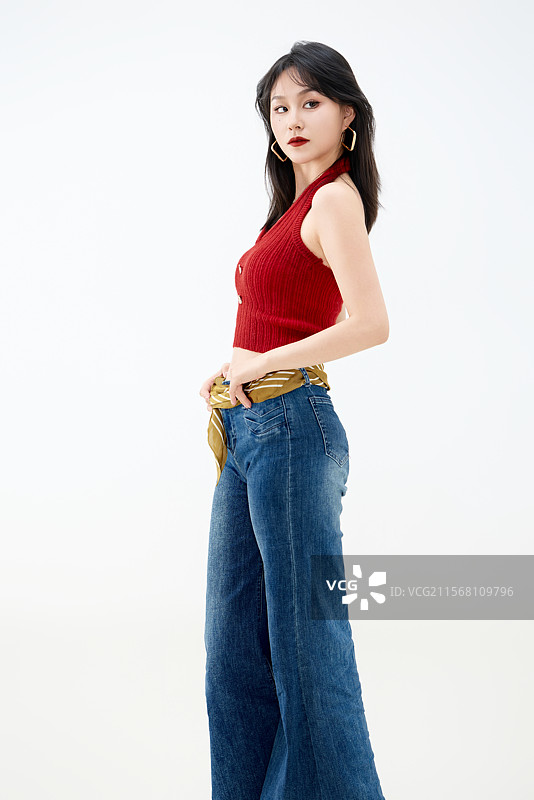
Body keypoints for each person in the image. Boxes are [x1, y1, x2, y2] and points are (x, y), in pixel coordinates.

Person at [199, 40, 389, 800]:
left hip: (292, 428)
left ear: (348, 115)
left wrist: (261, 365)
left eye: (311, 102)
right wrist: (233, 366)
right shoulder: (291, 212)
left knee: (309, 648)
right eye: (280, 107)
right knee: (234, 652)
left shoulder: (336, 200)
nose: (293, 119)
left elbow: (370, 324)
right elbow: (294, 314)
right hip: (249, 431)